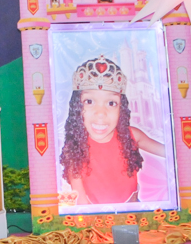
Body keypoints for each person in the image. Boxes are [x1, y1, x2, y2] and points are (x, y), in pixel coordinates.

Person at [59, 55, 166, 205]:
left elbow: (172, 153)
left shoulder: (132, 136)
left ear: (121, 108)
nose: (101, 113)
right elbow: (81, 201)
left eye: (111, 103)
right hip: (95, 221)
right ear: (77, 108)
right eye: (89, 101)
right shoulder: (75, 149)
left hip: (133, 217)